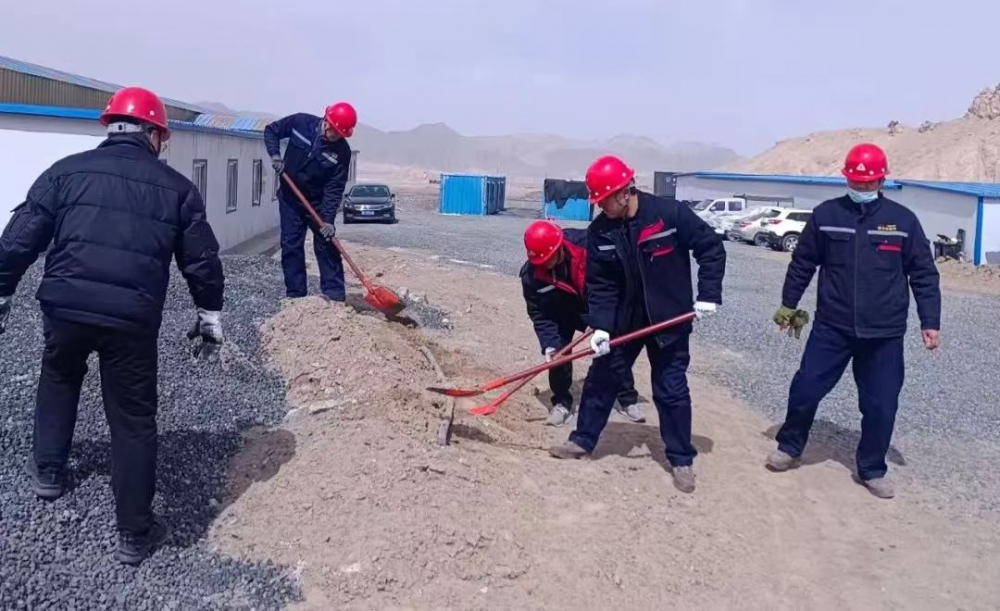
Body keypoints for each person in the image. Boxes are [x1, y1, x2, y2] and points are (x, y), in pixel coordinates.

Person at [0, 86, 225, 565]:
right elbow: (202, 261)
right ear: (154, 134)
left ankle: (48, 472)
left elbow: (18, 239)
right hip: (131, 319)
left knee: (59, 377)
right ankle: (134, 533)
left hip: (65, 307)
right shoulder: (177, 189)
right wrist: (209, 315)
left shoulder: (64, 173)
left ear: (112, 127)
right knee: (132, 417)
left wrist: (2, 291)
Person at [766, 143, 941, 499]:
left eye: (868, 182)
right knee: (806, 388)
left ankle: (872, 468)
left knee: (881, 403)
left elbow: (923, 274)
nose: (861, 187)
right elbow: (803, 263)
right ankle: (789, 446)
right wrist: (788, 304)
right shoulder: (826, 215)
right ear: (846, 178)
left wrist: (930, 321)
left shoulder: (903, 221)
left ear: (882, 180)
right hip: (832, 326)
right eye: (856, 182)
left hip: (884, 333)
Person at [548, 155, 726, 494]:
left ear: (624, 191)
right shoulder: (600, 231)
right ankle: (582, 440)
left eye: (604, 199)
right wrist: (602, 326)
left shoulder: (669, 215)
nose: (601, 206)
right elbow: (601, 285)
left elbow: (711, 249)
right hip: (625, 323)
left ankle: (681, 458)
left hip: (669, 320)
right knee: (601, 380)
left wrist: (708, 294)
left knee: (671, 389)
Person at [520, 220, 645, 427]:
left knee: (613, 345)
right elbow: (540, 315)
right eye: (539, 262)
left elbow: (615, 277)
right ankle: (561, 402)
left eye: (548, 260)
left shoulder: (588, 246)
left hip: (595, 303)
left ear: (559, 248)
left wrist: (603, 320)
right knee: (558, 356)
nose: (543, 265)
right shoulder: (531, 275)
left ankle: (626, 398)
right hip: (561, 312)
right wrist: (549, 344)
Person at [264, 102, 356, 302]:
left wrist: (328, 220)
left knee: (326, 242)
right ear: (327, 121)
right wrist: (275, 155)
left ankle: (335, 295)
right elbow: (271, 131)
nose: (337, 137)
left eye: (342, 134)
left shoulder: (342, 152)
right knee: (291, 245)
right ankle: (296, 296)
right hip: (290, 197)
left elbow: (334, 187)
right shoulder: (300, 122)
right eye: (335, 132)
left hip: (317, 202)